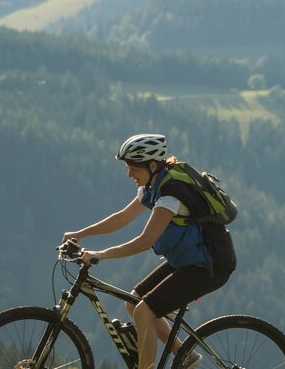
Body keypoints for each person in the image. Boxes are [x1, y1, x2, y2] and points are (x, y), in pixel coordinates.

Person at [62, 133, 237, 369]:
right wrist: (81, 234)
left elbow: (144, 241)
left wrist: (100, 254)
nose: (129, 174)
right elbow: (122, 218)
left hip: (210, 264)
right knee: (133, 303)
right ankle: (185, 354)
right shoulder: (153, 186)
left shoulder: (170, 195)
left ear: (152, 165)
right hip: (188, 258)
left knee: (144, 312)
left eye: (133, 167)